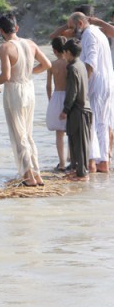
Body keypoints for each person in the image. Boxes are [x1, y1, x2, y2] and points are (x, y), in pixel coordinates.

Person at [0, 13, 51, 187]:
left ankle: (28, 175)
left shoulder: (5, 48)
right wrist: (29, 73)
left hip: (15, 90)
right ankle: (36, 173)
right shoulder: (30, 44)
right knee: (28, 133)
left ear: (1, 31)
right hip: (29, 88)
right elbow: (47, 64)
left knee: (19, 135)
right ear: (16, 28)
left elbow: (6, 75)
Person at [66, 12, 114, 173]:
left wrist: (80, 87)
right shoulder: (99, 33)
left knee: (90, 123)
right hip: (107, 83)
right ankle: (104, 162)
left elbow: (90, 64)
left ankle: (92, 163)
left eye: (73, 28)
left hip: (96, 84)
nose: (72, 32)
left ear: (80, 23)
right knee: (103, 123)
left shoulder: (89, 35)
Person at [59, 39, 92, 181]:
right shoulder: (81, 65)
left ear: (68, 52)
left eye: (64, 52)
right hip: (84, 108)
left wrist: (65, 110)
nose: (63, 55)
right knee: (78, 141)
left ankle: (82, 173)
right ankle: (78, 170)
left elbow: (72, 91)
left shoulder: (72, 68)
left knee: (79, 143)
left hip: (78, 110)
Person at [46, 36, 68, 171]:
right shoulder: (70, 63)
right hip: (69, 97)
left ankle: (62, 163)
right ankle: (72, 158)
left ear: (54, 50)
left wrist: (50, 100)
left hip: (57, 96)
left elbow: (48, 86)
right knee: (71, 131)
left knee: (59, 134)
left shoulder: (51, 65)